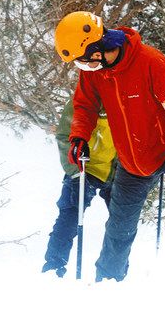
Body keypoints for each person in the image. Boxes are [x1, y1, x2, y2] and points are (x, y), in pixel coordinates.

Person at [54, 11, 165, 282]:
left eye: (84, 60)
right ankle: (107, 278)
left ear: (97, 47)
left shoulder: (150, 62)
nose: (84, 68)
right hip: (132, 160)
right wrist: (79, 137)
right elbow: (85, 106)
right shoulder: (94, 73)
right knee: (119, 225)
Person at [42, 99, 117, 277]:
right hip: (83, 168)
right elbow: (64, 135)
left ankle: (114, 272)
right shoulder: (83, 98)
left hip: (115, 169)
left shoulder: (126, 96)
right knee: (69, 214)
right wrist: (74, 171)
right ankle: (54, 265)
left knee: (122, 223)